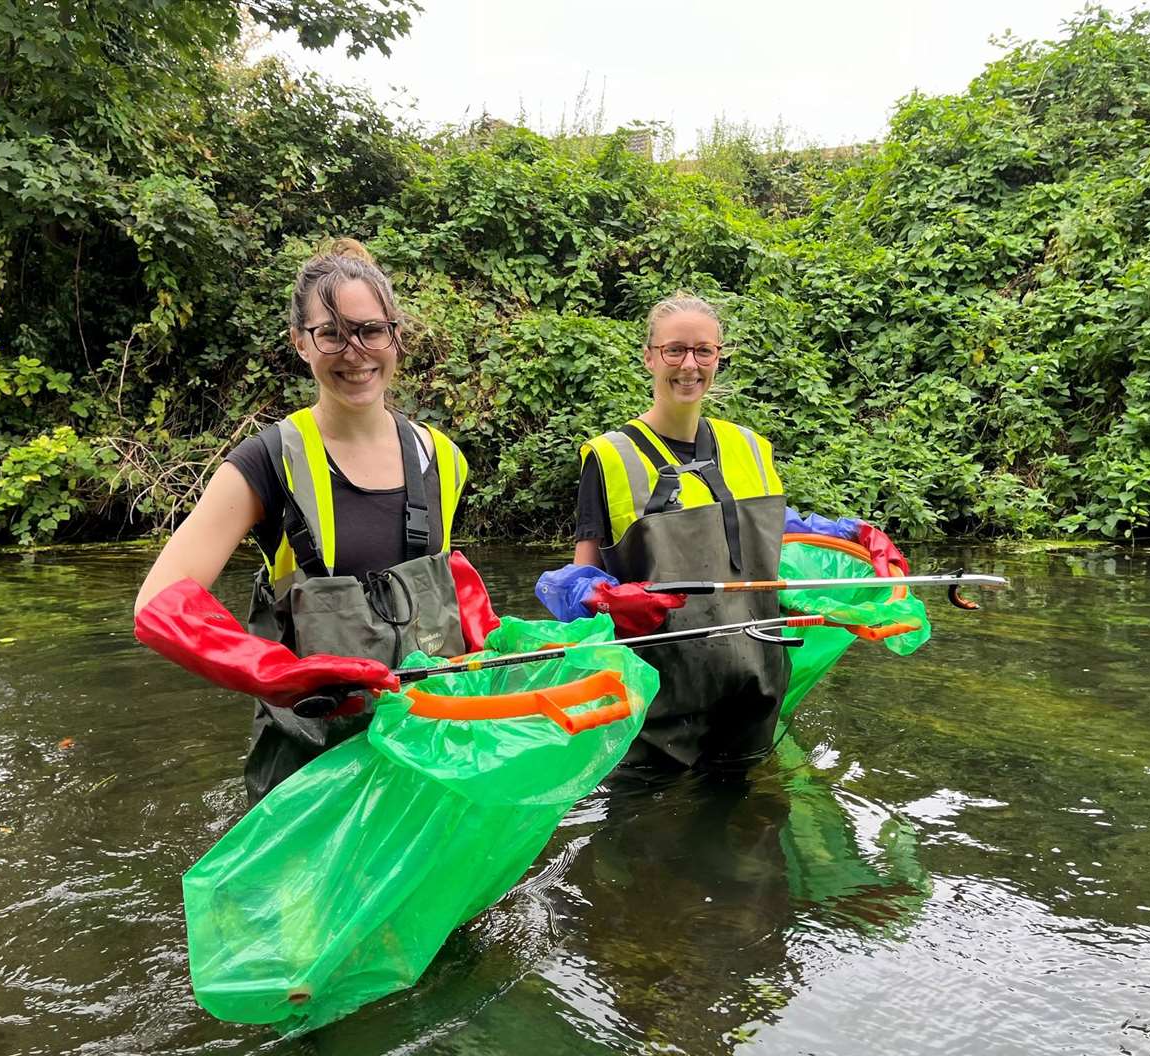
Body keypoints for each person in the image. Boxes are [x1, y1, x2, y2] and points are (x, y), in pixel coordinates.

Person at [133, 239, 498, 804]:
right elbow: (158, 603)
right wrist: (271, 670)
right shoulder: (264, 461)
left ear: (396, 335)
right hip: (311, 776)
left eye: (371, 330)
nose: (354, 353)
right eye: (331, 334)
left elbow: (443, 590)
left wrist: (490, 637)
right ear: (300, 343)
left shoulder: (443, 458)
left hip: (431, 758)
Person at [536, 291, 786, 770]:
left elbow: (782, 542)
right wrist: (605, 599)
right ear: (650, 357)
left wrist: (850, 537)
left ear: (719, 357)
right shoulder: (610, 457)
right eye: (675, 350)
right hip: (657, 712)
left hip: (755, 698)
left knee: (753, 833)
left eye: (703, 351)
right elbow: (577, 583)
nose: (689, 365)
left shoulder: (752, 448)